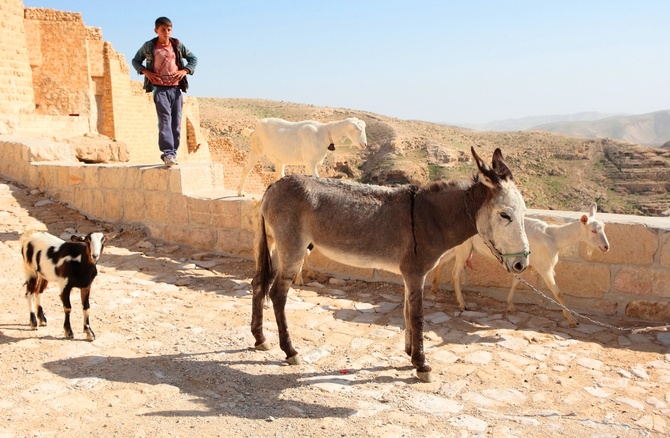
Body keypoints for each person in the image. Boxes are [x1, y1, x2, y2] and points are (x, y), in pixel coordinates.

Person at [132, 17, 197, 167]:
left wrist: (185, 70)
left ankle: (173, 153)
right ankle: (167, 153)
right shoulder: (149, 46)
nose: (166, 33)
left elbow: (193, 59)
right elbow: (136, 61)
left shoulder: (177, 45)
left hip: (176, 89)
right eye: (163, 30)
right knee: (165, 121)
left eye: (169, 30)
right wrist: (145, 72)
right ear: (156, 31)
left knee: (176, 123)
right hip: (160, 89)